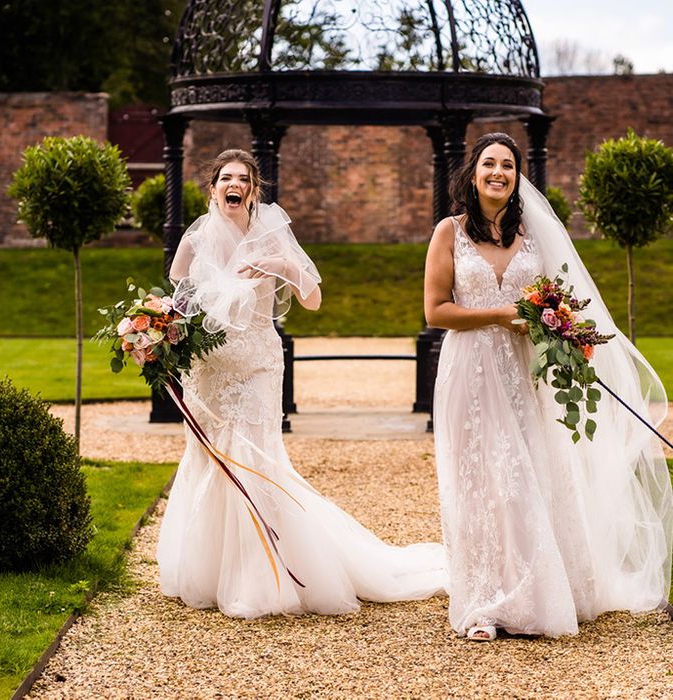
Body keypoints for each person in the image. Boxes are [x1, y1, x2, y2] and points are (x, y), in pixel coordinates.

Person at [157, 148, 446, 618]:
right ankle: (208, 571)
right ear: (213, 189)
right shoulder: (195, 241)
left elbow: (311, 300)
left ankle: (262, 576)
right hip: (208, 373)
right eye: (226, 178)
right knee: (208, 461)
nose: (235, 185)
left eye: (243, 179)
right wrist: (155, 335)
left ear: (253, 190)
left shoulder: (271, 233)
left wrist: (284, 266)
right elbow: (179, 303)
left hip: (256, 365)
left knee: (254, 460)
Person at [424, 132, 673, 641]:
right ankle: (486, 602)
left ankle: (537, 592)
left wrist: (564, 334)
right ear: (473, 174)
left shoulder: (532, 239)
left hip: (523, 373)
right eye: (489, 164)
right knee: (483, 483)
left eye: (508, 167)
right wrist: (503, 314)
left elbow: (557, 303)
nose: (498, 173)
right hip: (469, 371)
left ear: (518, 179)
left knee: (527, 476)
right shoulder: (448, 233)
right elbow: (435, 311)